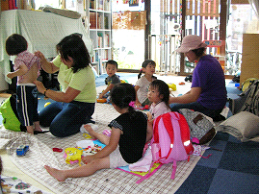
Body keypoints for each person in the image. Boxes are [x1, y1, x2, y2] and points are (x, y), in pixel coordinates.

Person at [44, 83, 153, 181]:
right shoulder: (142, 115)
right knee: (109, 139)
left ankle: (64, 174)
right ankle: (93, 132)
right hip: (134, 149)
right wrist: (139, 142)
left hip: (127, 157)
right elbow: (150, 133)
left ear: (114, 105)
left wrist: (94, 157)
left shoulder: (117, 123)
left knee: (96, 164)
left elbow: (111, 147)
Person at [34, 33, 96, 137]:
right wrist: (42, 59)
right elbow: (51, 68)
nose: (61, 59)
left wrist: (44, 91)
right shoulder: (64, 57)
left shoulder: (84, 72)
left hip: (82, 105)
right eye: (61, 56)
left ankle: (84, 122)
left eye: (64, 57)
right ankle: (68, 116)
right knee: (42, 120)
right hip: (66, 101)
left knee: (57, 129)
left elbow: (67, 97)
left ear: (75, 57)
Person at [169, 35, 227, 121]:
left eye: (187, 52)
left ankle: (207, 118)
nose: (185, 55)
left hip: (210, 107)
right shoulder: (210, 60)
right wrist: (180, 98)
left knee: (172, 108)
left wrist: (171, 100)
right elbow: (195, 91)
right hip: (218, 105)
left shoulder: (201, 67)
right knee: (180, 98)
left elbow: (193, 97)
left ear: (197, 50)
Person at [5, 34, 42, 134]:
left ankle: (30, 132)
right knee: (34, 106)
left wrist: (12, 75)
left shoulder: (19, 59)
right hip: (34, 85)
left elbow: (23, 69)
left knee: (24, 109)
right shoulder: (31, 55)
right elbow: (38, 68)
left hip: (23, 87)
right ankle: (37, 127)